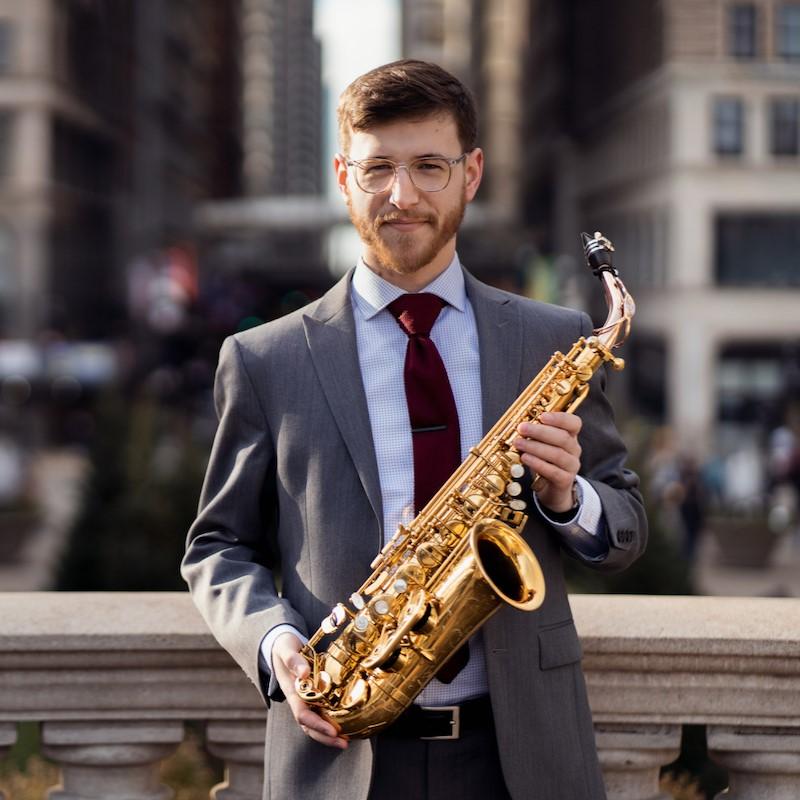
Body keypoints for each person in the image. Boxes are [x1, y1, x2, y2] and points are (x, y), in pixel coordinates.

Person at [182, 59, 647, 800]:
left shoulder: (553, 337)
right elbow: (218, 547)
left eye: (430, 166)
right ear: (342, 176)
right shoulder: (263, 357)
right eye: (379, 169)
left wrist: (570, 500)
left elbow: (625, 528)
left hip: (521, 758)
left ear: (472, 172)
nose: (403, 196)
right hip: (342, 758)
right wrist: (276, 647)